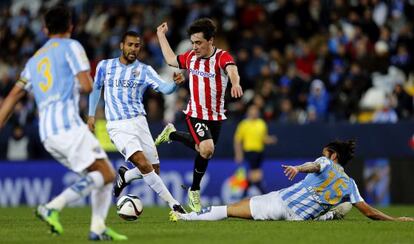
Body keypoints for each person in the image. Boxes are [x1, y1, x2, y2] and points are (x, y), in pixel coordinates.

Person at [0, 5, 127, 241]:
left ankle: (97, 228)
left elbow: (12, 97)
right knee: (107, 174)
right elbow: (88, 86)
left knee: (100, 172)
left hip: (46, 132)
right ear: (71, 26)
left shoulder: (34, 60)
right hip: (67, 124)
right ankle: (52, 207)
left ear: (46, 29)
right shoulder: (72, 46)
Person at [170, 140, 413, 222]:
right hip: (296, 216)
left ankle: (186, 217)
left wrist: (298, 168)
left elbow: (314, 165)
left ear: (333, 155)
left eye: (325, 151)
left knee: (229, 209)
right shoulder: (350, 185)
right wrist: (394, 219)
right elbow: (369, 212)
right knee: (246, 202)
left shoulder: (325, 162)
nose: (322, 154)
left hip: (280, 204)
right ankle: (329, 215)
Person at [87, 30, 186, 213]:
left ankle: (126, 176)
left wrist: (174, 84)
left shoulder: (144, 70)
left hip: (139, 122)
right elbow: (96, 89)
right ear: (121, 46)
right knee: (141, 161)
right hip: (118, 125)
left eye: (137, 45)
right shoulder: (105, 66)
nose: (133, 49)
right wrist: (91, 115)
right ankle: (174, 204)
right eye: (130, 45)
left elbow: (164, 88)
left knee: (154, 170)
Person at [155, 18, 243, 212]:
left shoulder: (221, 57)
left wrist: (235, 83)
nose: (194, 47)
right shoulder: (190, 58)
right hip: (195, 113)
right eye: (193, 42)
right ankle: (194, 190)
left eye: (199, 43)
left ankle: (172, 134)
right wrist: (161, 36)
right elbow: (171, 60)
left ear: (211, 41)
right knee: (207, 148)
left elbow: (232, 69)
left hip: (216, 116)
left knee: (204, 150)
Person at [234, 104, 277, 197]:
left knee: (254, 175)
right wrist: (238, 154)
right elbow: (237, 140)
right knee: (256, 175)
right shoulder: (243, 124)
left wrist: (270, 140)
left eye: (256, 111)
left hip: (260, 152)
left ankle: (244, 195)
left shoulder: (261, 123)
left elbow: (264, 138)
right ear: (248, 112)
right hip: (250, 151)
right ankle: (265, 196)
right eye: (252, 111)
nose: (254, 113)